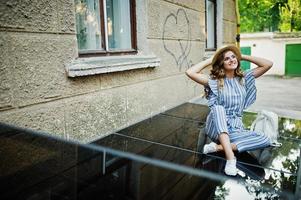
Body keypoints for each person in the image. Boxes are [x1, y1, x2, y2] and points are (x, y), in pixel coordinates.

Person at [185, 45, 273, 176]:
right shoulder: (215, 82)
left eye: (233, 57)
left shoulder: (244, 79)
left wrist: (241, 55)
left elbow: (268, 64)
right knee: (218, 108)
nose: (232, 60)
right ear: (221, 63)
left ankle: (217, 147)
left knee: (265, 139)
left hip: (235, 129)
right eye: (227, 59)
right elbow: (190, 72)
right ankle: (230, 158)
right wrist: (212, 59)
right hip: (216, 126)